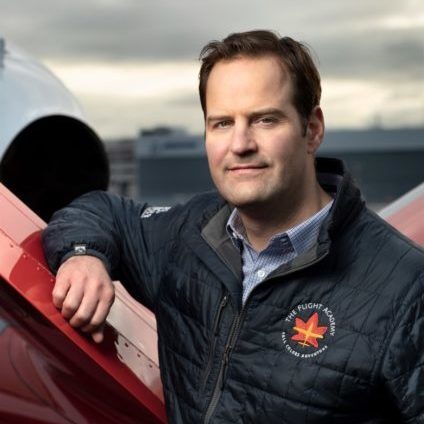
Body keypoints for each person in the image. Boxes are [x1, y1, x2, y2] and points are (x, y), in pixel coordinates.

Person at [43, 30, 424, 423]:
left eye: (264, 119)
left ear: (311, 130)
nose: (240, 143)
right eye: (222, 123)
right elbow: (99, 210)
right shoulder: (188, 235)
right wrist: (82, 256)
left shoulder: (407, 288)